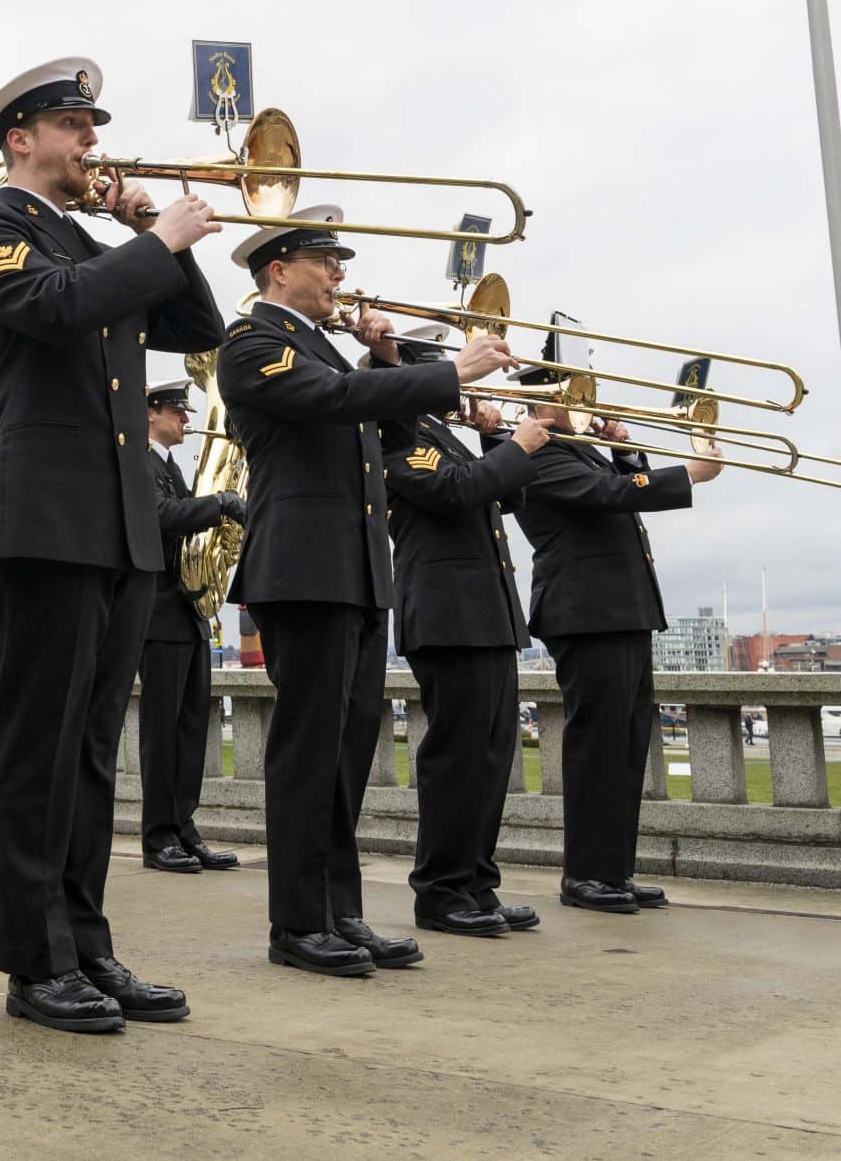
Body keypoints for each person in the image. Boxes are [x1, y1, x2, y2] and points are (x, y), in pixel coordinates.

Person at [0, 56, 224, 1036]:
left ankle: (86, 944)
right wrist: (149, 239)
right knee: (35, 753)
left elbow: (198, 327)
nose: (93, 144)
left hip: (111, 529)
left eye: (92, 128)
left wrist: (158, 240)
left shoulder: (94, 242)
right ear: (21, 139)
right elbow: (53, 310)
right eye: (75, 127)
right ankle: (35, 965)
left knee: (91, 757)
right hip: (43, 522)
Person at [217, 208, 517, 978]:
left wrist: (386, 358)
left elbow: (371, 413)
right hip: (302, 568)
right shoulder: (254, 340)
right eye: (326, 260)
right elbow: (332, 400)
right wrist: (452, 370)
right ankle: (296, 922)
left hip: (350, 570)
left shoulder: (325, 349)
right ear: (278, 269)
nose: (340, 275)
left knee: (347, 753)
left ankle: (338, 910)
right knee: (308, 751)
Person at [512, 343, 718, 915]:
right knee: (598, 749)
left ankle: (613, 873)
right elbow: (608, 498)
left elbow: (621, 491)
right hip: (587, 614)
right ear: (542, 401)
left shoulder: (580, 452)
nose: (585, 401)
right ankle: (586, 876)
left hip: (621, 612)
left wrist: (623, 449)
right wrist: (691, 473)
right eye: (572, 392)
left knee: (626, 750)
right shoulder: (536, 453)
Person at [379, 372, 550, 936]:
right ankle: (440, 890)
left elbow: (507, 491)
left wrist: (496, 437)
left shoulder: (439, 434)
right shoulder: (398, 438)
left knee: (494, 755)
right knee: (458, 757)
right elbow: (455, 491)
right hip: (449, 617)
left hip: (486, 615)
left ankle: (476, 883)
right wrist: (516, 446)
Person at [136, 381, 245, 875]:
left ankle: (185, 827)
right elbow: (158, 517)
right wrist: (218, 504)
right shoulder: (140, 461)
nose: (184, 419)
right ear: (151, 413)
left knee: (192, 728)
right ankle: (158, 836)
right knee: (162, 732)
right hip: (159, 615)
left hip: (189, 613)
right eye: (176, 411)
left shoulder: (171, 466)